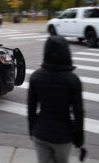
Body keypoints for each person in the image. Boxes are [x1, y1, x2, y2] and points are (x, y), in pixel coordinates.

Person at [27, 35, 84, 163]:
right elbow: (78, 112)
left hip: (41, 132)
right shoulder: (72, 80)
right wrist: (79, 139)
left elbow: (31, 107)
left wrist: (32, 129)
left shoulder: (36, 77)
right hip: (63, 136)